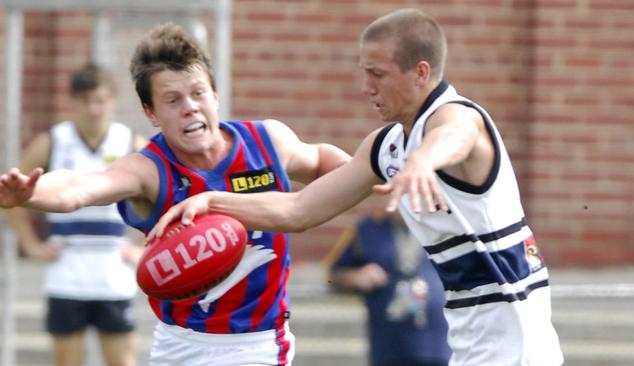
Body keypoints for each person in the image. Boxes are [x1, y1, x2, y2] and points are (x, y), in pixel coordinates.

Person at [143, 8, 565, 366]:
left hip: (518, 343)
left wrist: (422, 162)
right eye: (364, 73)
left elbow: (455, 136)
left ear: (421, 73)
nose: (366, 87)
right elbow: (299, 210)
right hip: (469, 334)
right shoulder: (386, 147)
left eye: (377, 74)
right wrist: (211, 201)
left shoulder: (457, 117)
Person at [0, 23, 350, 366]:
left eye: (198, 93)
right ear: (151, 114)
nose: (191, 107)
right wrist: (30, 193)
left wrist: (367, 172)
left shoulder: (266, 142)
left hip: (256, 342)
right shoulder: (149, 169)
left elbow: (323, 161)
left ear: (214, 94)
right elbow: (82, 186)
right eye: (172, 100)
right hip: (178, 344)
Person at [5, 63, 147, 366]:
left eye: (100, 100)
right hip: (66, 276)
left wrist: (142, 247)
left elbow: (165, 195)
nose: (94, 108)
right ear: (73, 102)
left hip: (113, 277)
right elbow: (12, 194)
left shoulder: (129, 142)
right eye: (86, 100)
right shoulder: (54, 140)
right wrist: (30, 244)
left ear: (112, 101)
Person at [325, 211, 451, 366]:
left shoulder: (445, 227)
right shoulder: (367, 229)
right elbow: (333, 276)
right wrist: (356, 276)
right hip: (389, 343)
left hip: (440, 343)